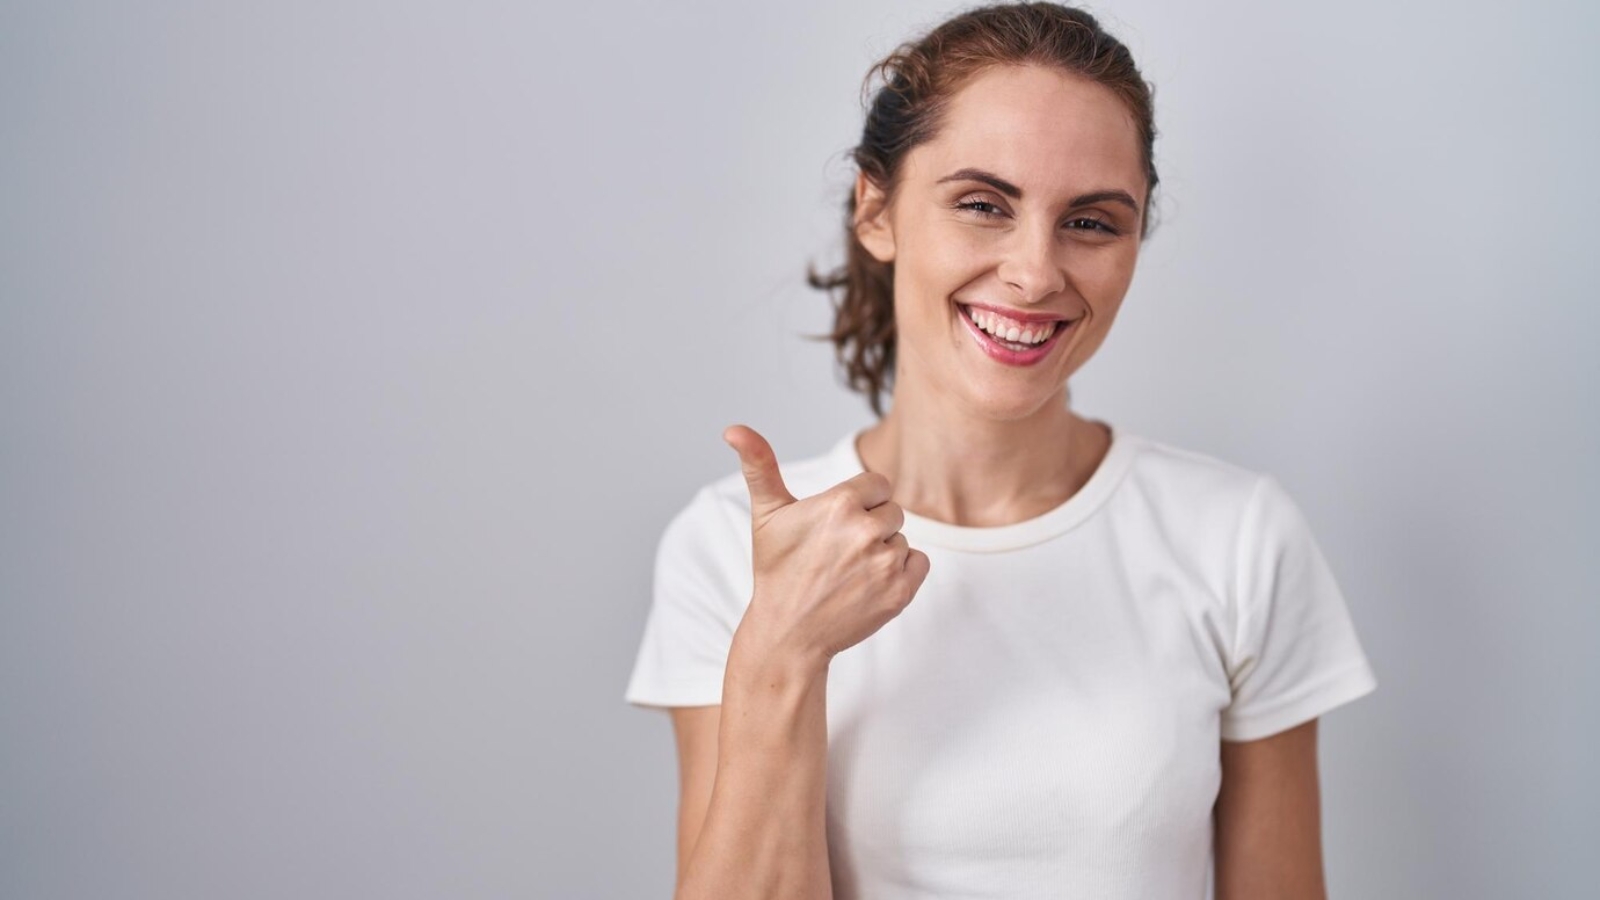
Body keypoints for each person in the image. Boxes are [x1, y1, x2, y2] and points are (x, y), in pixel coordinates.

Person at [623, 3, 1378, 898]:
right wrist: (781, 653)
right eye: (984, 205)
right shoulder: (730, 550)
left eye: (1092, 222)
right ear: (877, 211)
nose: (1035, 272)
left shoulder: (1238, 538)